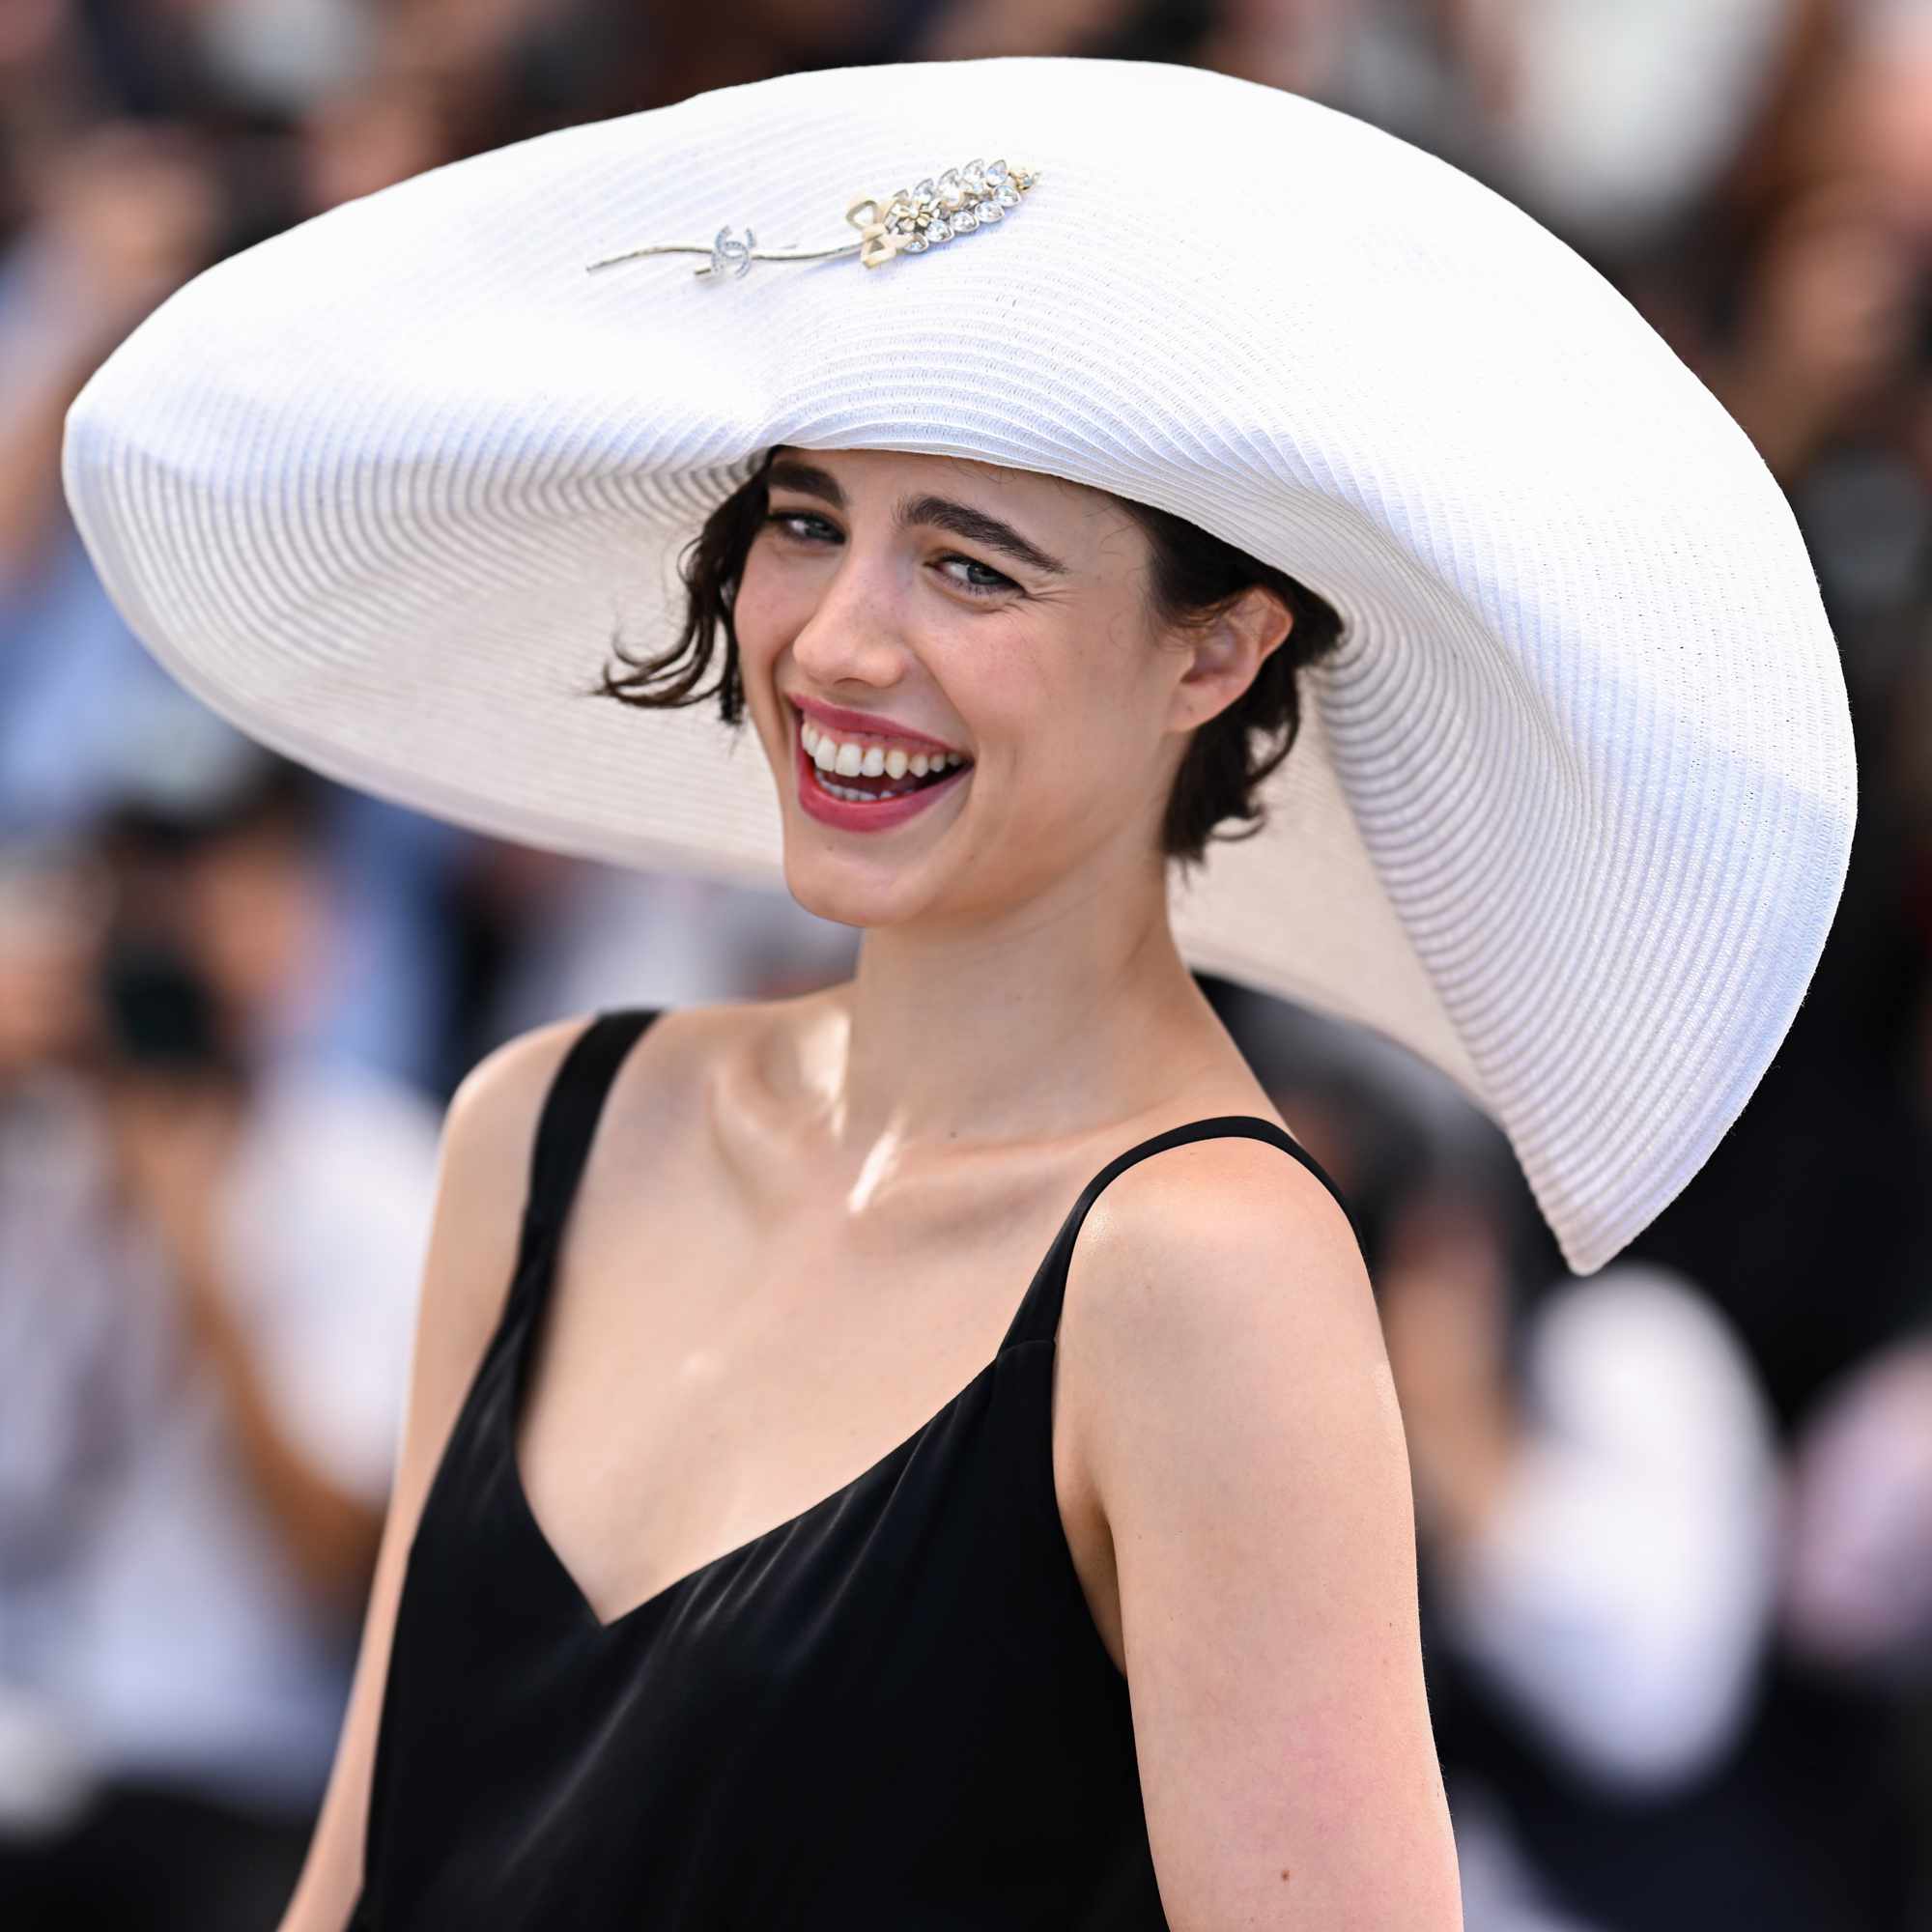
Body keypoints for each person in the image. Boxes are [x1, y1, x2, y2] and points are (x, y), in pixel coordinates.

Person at [58, 55, 1856, 1930]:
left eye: (971, 564)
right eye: (811, 518)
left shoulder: (1206, 1275)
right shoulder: (546, 1123)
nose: (839, 641)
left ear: (1216, 650)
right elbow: (359, 1873)